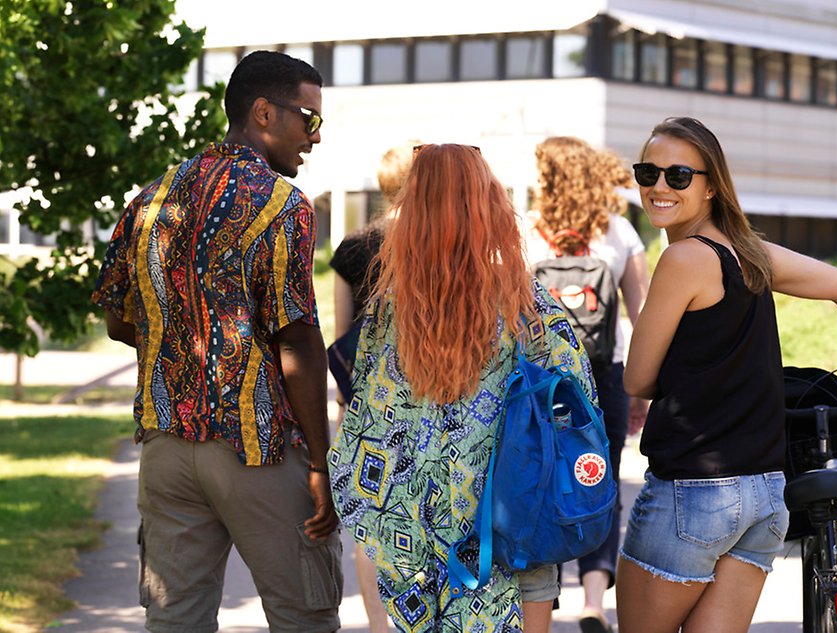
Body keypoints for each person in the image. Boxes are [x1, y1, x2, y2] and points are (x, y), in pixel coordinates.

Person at [616, 116, 837, 633]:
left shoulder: (682, 259)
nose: (659, 186)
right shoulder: (751, 254)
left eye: (678, 176)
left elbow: (637, 380)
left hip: (694, 492)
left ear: (710, 187)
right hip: (767, 496)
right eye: (648, 172)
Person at [91, 50, 342, 632]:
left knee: (175, 619)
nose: (315, 138)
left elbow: (117, 320)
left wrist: (180, 349)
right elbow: (298, 341)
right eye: (310, 119)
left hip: (166, 450)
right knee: (304, 615)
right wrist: (321, 461)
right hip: (257, 449)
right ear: (263, 112)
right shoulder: (283, 206)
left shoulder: (151, 200)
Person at [329, 143, 597, 632]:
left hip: (425, 541)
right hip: (517, 523)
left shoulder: (389, 314)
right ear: (487, 205)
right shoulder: (526, 302)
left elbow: (366, 434)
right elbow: (577, 404)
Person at [522, 136, 649, 633]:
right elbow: (642, 318)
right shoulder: (618, 232)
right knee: (600, 480)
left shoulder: (521, 232)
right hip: (604, 378)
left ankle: (542, 598)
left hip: (538, 384)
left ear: (547, 179)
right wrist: (640, 391)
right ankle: (594, 600)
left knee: (539, 481)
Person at [328, 140, 417, 633]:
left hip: (369, 405)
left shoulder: (354, 247)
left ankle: (379, 627)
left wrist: (345, 407)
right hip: (430, 400)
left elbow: (343, 337)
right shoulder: (438, 241)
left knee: (370, 523)